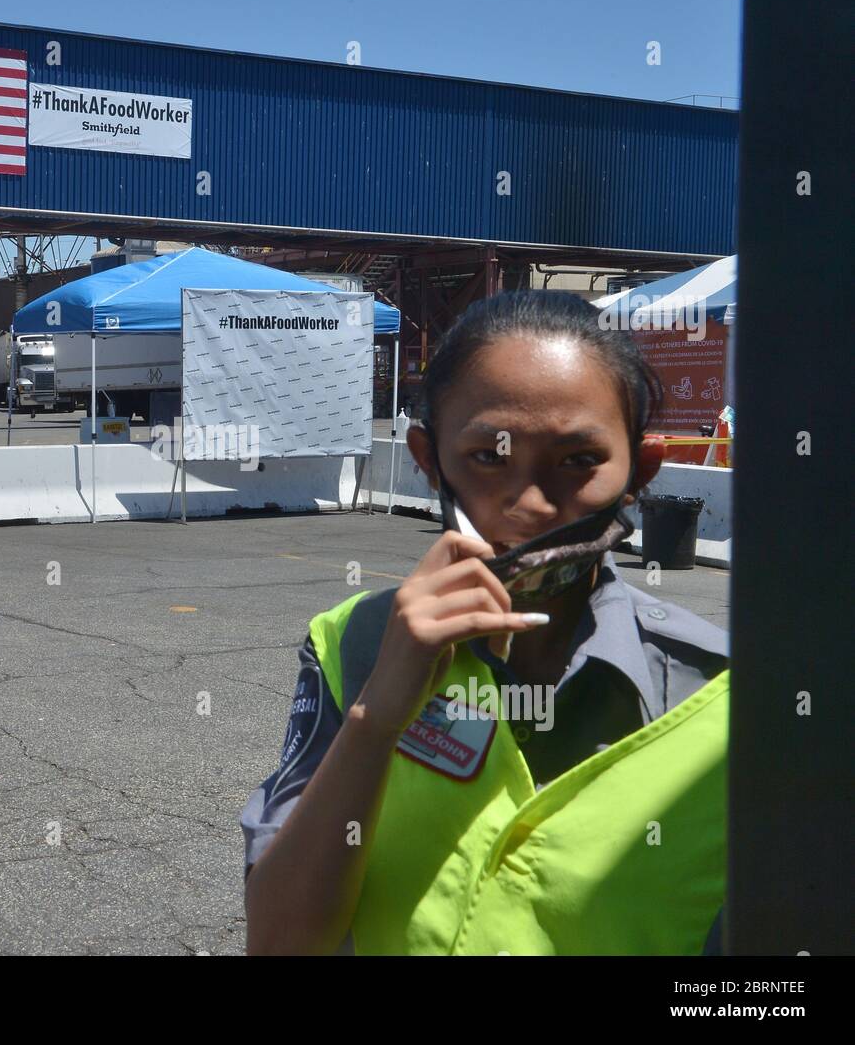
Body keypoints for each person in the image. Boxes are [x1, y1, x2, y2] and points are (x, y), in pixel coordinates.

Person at [241, 290, 730, 956]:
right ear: (428, 459)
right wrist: (375, 718)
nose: (529, 504)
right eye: (488, 458)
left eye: (579, 460)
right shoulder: (350, 645)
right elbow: (282, 942)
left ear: (639, 471)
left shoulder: (721, 697)